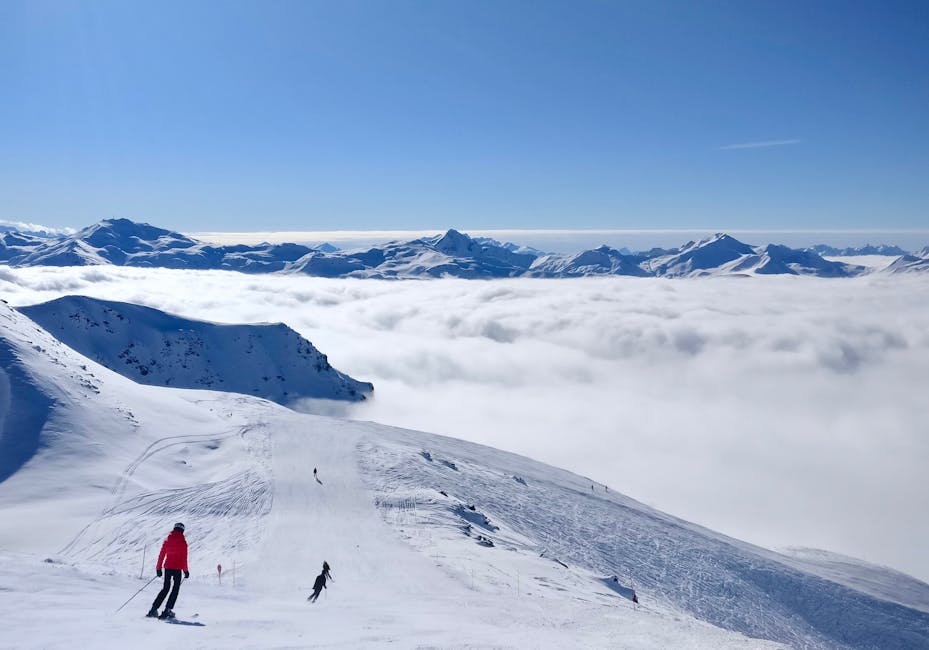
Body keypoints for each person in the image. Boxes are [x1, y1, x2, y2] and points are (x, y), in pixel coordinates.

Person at [147, 522, 189, 619]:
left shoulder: (167, 540)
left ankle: (153, 609)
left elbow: (161, 556)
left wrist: (158, 568)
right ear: (182, 530)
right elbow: (184, 559)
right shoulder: (183, 543)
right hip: (177, 569)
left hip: (167, 568)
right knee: (175, 589)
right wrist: (186, 571)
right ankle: (167, 610)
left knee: (165, 588)